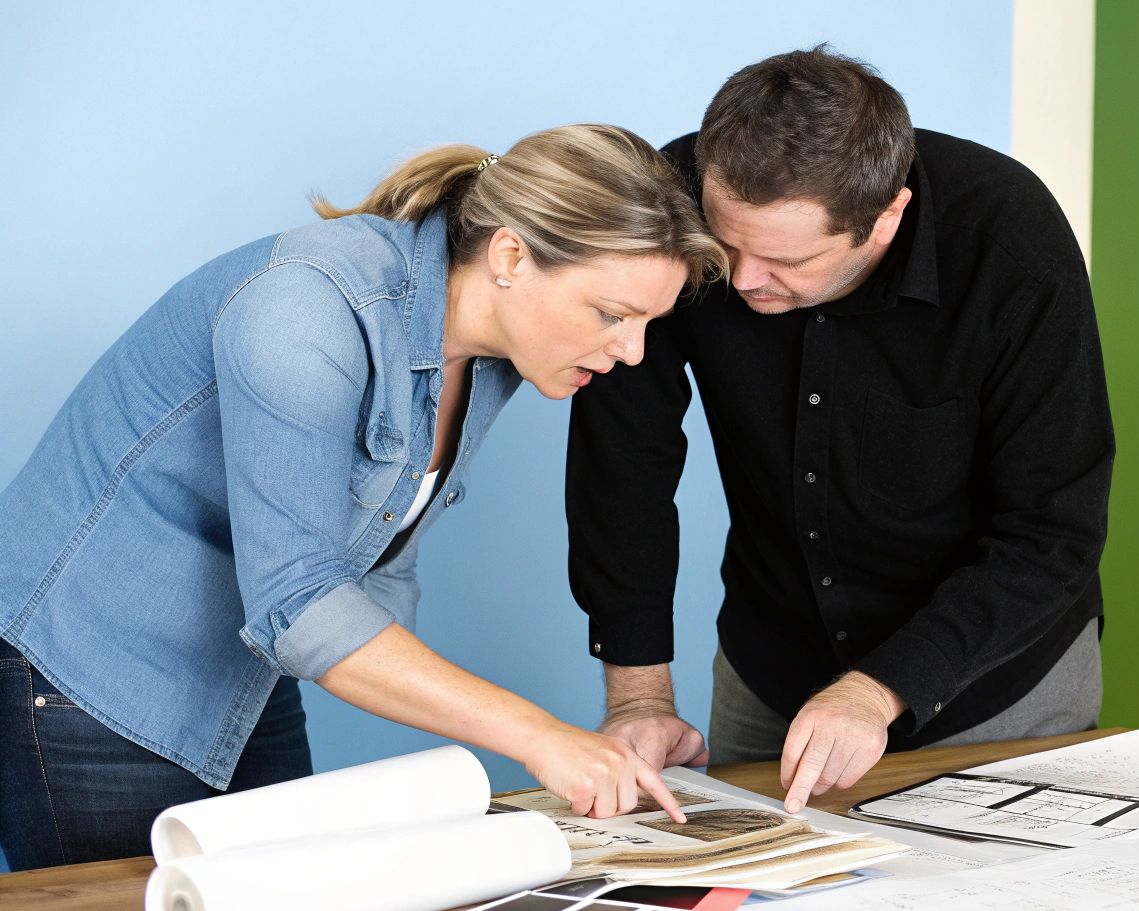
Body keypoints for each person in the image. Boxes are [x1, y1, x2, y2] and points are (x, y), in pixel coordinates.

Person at [0, 124, 727, 870]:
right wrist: (540, 737)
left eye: (648, 323)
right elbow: (303, 602)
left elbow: (374, 561)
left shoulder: (497, 354)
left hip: (247, 667)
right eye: (611, 313)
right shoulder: (304, 306)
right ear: (510, 255)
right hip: (85, 668)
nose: (633, 352)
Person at [568, 47, 1115, 813]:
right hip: (773, 665)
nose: (743, 278)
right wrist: (637, 697)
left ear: (886, 216)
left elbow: (1053, 530)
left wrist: (877, 691)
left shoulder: (1010, 243)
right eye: (728, 244)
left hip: (997, 684)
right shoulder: (674, 200)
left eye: (786, 259)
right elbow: (622, 462)